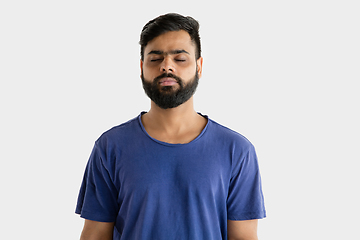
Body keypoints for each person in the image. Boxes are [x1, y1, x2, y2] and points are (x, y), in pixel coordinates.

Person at [76, 13, 266, 240]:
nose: (167, 66)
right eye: (155, 59)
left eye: (180, 59)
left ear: (199, 66)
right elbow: (95, 234)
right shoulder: (110, 147)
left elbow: (243, 236)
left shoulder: (236, 150)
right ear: (141, 67)